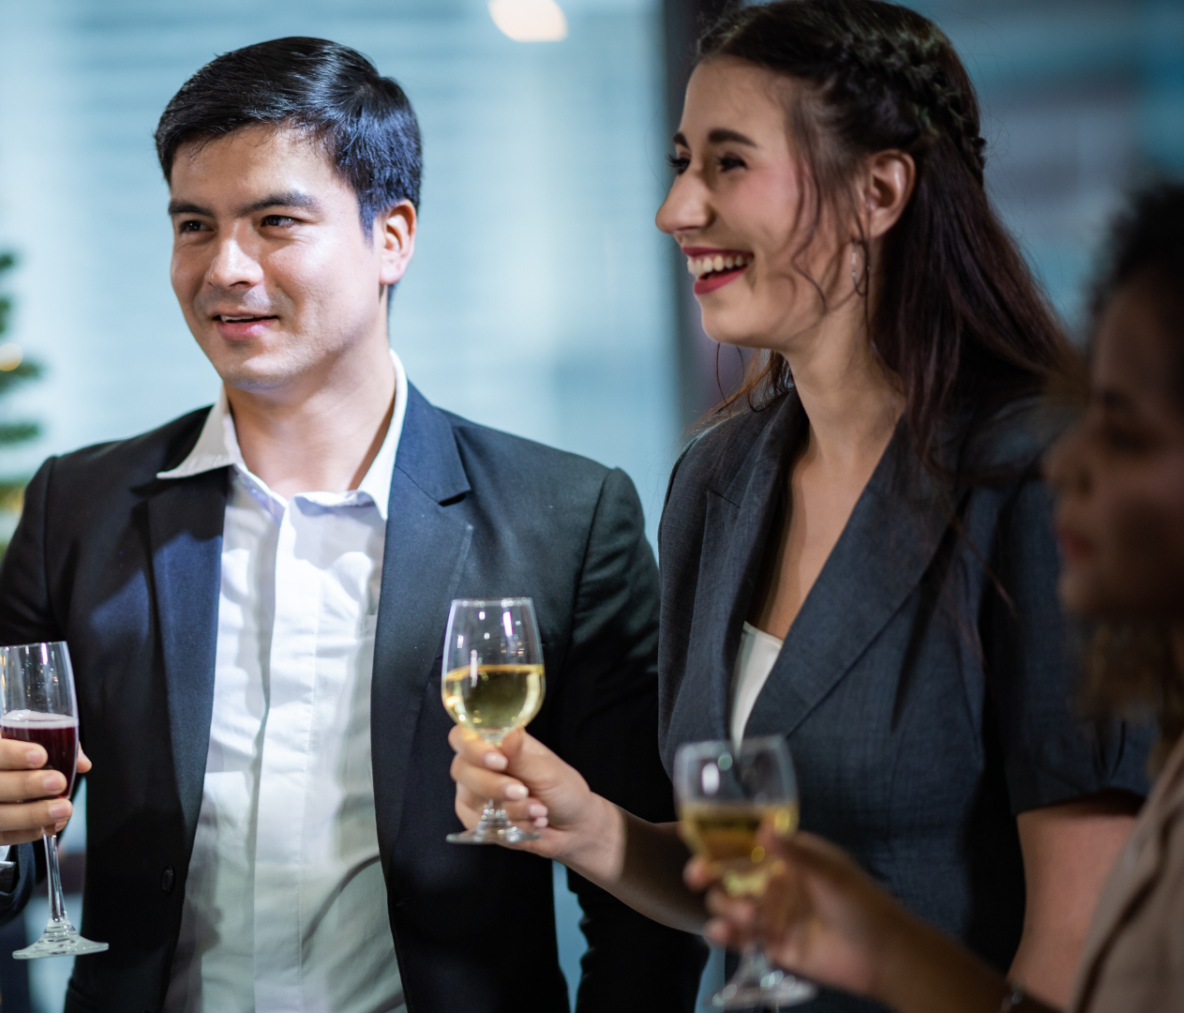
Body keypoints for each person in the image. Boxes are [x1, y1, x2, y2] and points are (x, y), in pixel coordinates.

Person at [0, 36, 705, 1013]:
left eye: (274, 221)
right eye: (193, 225)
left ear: (392, 237)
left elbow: (641, 902)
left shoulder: (564, 519)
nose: (224, 267)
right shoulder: (78, 509)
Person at [447, 2, 1152, 1009]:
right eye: (680, 160)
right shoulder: (714, 483)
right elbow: (745, 887)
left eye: (728, 164)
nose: (676, 209)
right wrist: (594, 828)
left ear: (879, 190)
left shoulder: (1037, 481)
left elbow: (1079, 947)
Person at [687, 182, 1184, 1013]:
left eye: (1124, 430)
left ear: (876, 194)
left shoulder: (1002, 479)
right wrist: (879, 944)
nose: (1066, 464)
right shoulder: (718, 481)